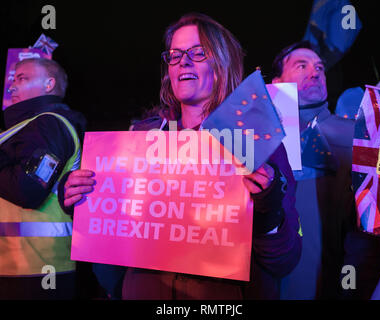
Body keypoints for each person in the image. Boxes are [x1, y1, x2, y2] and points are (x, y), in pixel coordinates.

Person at [61, 12, 301, 300]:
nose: (183, 61)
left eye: (198, 53)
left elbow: (285, 259)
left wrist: (268, 205)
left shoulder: (256, 141)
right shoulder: (140, 139)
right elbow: (112, 237)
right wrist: (82, 197)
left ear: (223, 63)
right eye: (174, 55)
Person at [271, 41, 356, 299]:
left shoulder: (356, 135)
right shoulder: (258, 138)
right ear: (277, 83)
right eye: (302, 66)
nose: (315, 72)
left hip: (333, 285)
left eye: (320, 67)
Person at [0, 57, 86, 299]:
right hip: (18, 267)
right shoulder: (22, 128)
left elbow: (27, 189)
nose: (12, 86)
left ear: (49, 84)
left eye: (22, 78)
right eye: (12, 79)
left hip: (36, 270)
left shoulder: (49, 124)